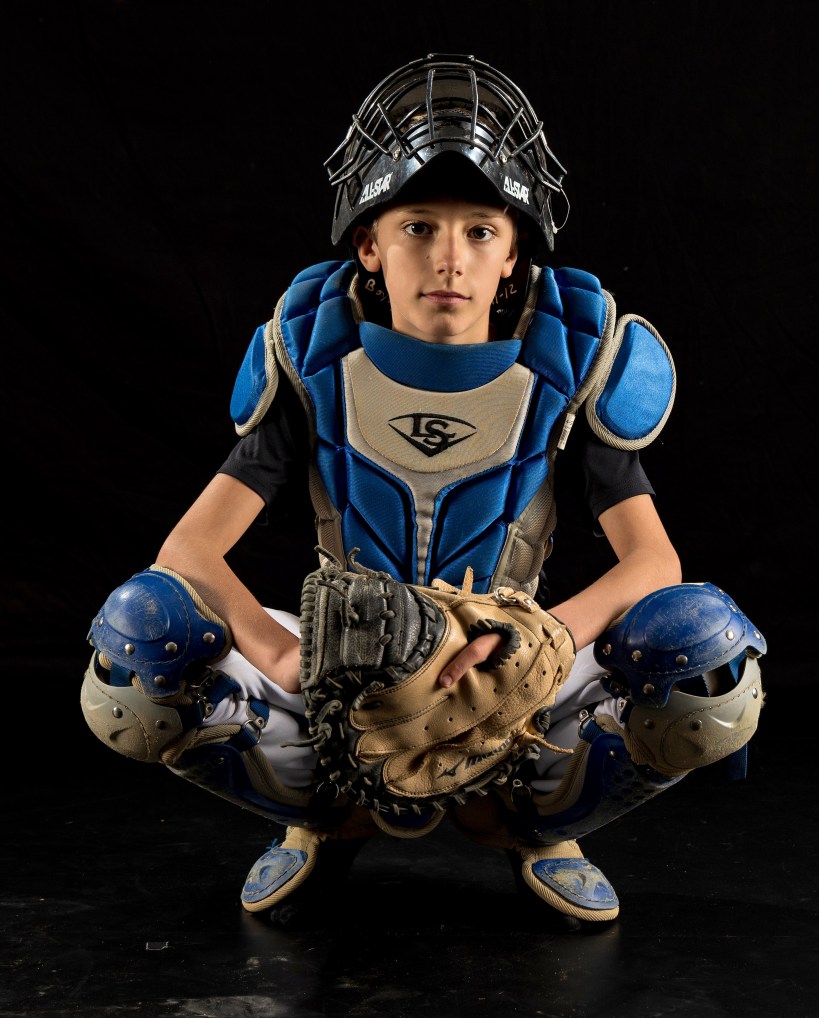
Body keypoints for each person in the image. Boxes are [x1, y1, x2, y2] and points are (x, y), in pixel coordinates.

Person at [81, 54, 766, 929]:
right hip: (341, 683)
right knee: (140, 639)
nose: (449, 257)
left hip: (509, 675)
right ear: (369, 243)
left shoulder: (567, 361)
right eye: (417, 227)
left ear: (513, 254)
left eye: (479, 231)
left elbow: (653, 562)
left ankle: (531, 826)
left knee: (702, 647)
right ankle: (325, 816)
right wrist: (286, 657)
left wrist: (542, 644)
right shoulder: (315, 358)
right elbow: (186, 552)